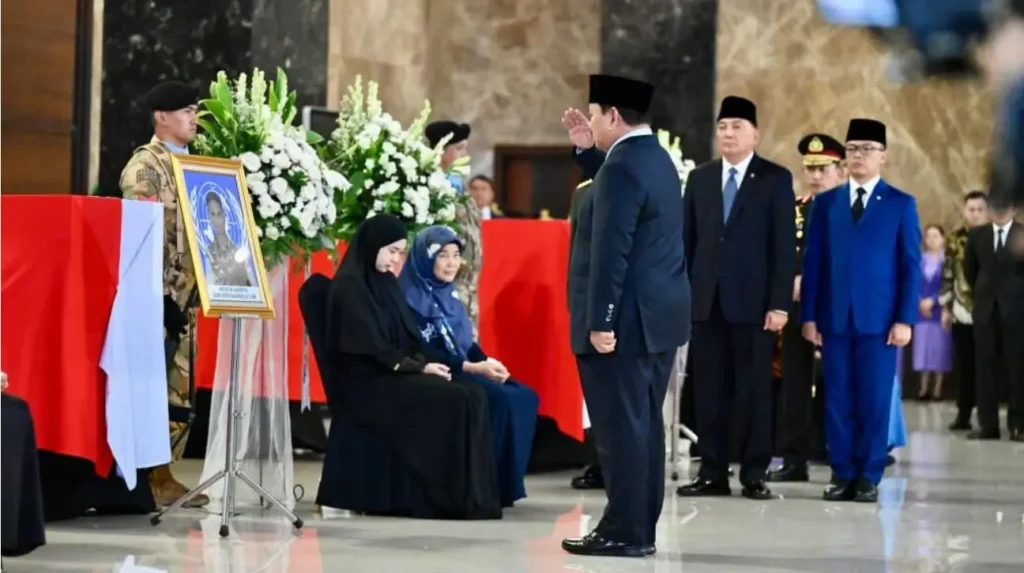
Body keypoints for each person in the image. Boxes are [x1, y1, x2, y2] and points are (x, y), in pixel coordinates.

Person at [562, 74, 690, 558]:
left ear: (613, 115)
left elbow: (613, 252)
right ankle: (638, 527)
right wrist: (585, 153)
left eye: (593, 115)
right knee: (643, 428)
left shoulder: (622, 169)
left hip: (625, 324)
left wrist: (601, 321)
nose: (589, 121)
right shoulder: (653, 158)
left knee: (620, 432)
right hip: (656, 320)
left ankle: (623, 531)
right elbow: (626, 199)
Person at [325, 214, 502, 519]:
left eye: (400, 252)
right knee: (456, 399)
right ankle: (440, 497)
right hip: (368, 380)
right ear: (373, 247)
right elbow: (369, 347)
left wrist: (428, 363)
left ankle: (473, 498)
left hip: (395, 370)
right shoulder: (350, 287)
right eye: (391, 251)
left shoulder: (385, 282)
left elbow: (409, 337)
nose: (396, 259)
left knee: (473, 394)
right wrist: (417, 369)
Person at [677, 96, 795, 501]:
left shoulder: (775, 179)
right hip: (706, 305)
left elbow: (784, 248)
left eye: (737, 126)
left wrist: (780, 304)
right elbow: (686, 243)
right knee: (709, 391)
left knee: (754, 392)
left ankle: (754, 471)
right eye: (723, 126)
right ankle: (711, 470)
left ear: (755, 134)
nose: (728, 133)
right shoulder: (701, 179)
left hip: (755, 307)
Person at [801, 118, 922, 502]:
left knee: (873, 399)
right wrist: (809, 316)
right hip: (834, 318)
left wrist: (905, 318)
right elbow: (813, 264)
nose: (858, 155)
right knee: (837, 397)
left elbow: (910, 266)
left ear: (883, 156)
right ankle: (842, 472)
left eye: (867, 149)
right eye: (853, 149)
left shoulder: (901, 204)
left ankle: (869, 474)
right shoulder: (826, 204)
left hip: (880, 321)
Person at [398, 225, 539, 507]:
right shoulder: (408, 297)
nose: (452, 263)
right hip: (438, 370)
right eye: (442, 256)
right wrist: (473, 368)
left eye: (455, 255)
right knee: (498, 401)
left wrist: (486, 361)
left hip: (464, 364)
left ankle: (507, 484)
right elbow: (423, 350)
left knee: (524, 396)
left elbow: (465, 342)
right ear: (425, 259)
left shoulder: (449, 295)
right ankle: (489, 486)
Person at [118, 80, 209, 508]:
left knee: (180, 388)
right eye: (186, 110)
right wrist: (158, 300)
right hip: (159, 302)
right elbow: (141, 239)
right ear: (161, 117)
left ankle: (166, 472)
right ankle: (151, 477)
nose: (194, 118)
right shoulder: (145, 169)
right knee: (156, 387)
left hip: (191, 298)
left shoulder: (199, 166)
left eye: (195, 110)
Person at [769, 133, 846, 483]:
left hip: (836, 308)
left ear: (840, 170)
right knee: (794, 383)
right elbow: (781, 254)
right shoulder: (795, 208)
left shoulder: (847, 210)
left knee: (838, 382)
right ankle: (793, 458)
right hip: (797, 309)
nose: (816, 175)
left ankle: (838, 455)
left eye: (823, 168)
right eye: (810, 168)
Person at [561, 113, 606, 491]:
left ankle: (617, 464)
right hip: (586, 299)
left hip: (620, 305)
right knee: (591, 393)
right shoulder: (582, 192)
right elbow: (576, 249)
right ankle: (597, 458)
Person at [963, 199, 1024, 441]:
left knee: (1018, 369)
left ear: (1014, 209)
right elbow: (970, 271)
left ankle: (1018, 425)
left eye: (1004, 206)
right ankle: (988, 425)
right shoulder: (977, 236)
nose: (999, 211)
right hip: (986, 312)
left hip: (1018, 314)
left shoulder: (1021, 236)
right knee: (985, 370)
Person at [425, 121, 482, 338]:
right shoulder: (430, 190)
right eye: (459, 148)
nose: (465, 154)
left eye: (466, 148)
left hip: (468, 288)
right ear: (440, 151)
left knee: (469, 349)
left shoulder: (460, 188)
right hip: (444, 288)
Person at [940, 191, 989, 430]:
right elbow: (948, 275)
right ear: (964, 211)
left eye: (980, 209)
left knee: (990, 366)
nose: (976, 214)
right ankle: (964, 414)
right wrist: (946, 308)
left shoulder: (996, 237)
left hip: (993, 311)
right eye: (971, 209)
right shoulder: (955, 239)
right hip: (962, 309)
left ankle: (989, 418)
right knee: (966, 366)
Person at [913, 224, 954, 400]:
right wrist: (920, 301)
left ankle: (937, 390)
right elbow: (912, 283)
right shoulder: (919, 259)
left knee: (939, 351)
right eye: (928, 236)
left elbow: (951, 286)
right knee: (922, 350)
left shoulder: (948, 261)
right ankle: (923, 389)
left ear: (943, 238)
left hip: (940, 312)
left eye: (935, 236)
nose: (932, 240)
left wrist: (934, 301)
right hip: (921, 312)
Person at [203, 193, 255, 287]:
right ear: (209, 218)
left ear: (224, 216)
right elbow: (210, 285)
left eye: (219, 214)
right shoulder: (209, 253)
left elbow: (252, 280)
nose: (216, 220)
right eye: (212, 214)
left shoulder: (240, 249)